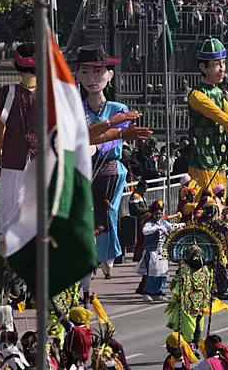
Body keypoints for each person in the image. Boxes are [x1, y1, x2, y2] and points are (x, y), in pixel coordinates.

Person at [73, 43, 152, 279]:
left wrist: (96, 142)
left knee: (107, 211)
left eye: (98, 72)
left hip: (110, 169)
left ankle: (107, 255)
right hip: (84, 169)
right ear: (77, 74)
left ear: (109, 75)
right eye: (85, 72)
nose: (92, 78)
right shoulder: (77, 108)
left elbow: (114, 141)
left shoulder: (119, 109)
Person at [187, 38, 228, 198]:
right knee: (205, 205)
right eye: (216, 64)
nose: (222, 69)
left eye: (223, 63)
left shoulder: (217, 93)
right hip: (203, 160)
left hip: (219, 157)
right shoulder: (197, 95)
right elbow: (221, 117)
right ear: (203, 67)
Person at [0, 43, 36, 241]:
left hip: (23, 159)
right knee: (12, 211)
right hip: (16, 160)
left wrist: (0, 149)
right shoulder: (6, 95)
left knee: (13, 211)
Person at [166, 245, 214, 345]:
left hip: (189, 304)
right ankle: (193, 346)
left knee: (188, 328)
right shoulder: (206, 269)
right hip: (199, 304)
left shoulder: (185, 270)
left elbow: (173, 286)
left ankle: (189, 347)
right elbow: (211, 286)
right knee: (197, 326)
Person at [135, 201, 182, 301]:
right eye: (156, 214)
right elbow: (145, 231)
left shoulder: (163, 222)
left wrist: (182, 225)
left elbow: (170, 227)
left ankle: (158, 292)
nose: (158, 216)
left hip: (162, 251)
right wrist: (156, 228)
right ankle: (147, 292)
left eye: (160, 214)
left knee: (163, 273)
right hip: (152, 251)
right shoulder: (149, 223)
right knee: (152, 272)